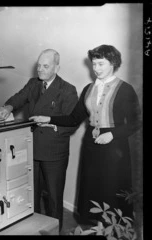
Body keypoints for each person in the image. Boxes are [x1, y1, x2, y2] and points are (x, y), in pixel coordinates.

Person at [29, 44, 142, 224]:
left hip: (115, 147)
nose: (96, 69)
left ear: (112, 63)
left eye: (101, 64)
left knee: (112, 189)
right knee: (92, 189)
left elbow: (137, 122)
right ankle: (93, 228)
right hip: (91, 146)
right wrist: (49, 119)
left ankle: (115, 231)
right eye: (94, 64)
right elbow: (74, 118)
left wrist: (112, 134)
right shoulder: (89, 89)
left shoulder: (125, 89)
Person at [0, 49, 78, 231]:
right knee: (31, 194)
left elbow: (72, 123)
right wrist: (8, 106)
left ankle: (53, 231)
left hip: (54, 152)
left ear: (57, 67)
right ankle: (33, 230)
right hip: (32, 148)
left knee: (54, 198)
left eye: (46, 66)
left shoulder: (68, 90)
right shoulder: (33, 84)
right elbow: (19, 97)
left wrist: (53, 125)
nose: (40, 69)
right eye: (38, 65)